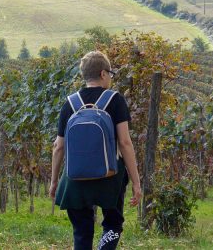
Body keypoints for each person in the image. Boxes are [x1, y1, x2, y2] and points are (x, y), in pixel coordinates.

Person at [49, 51, 143, 250]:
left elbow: (58, 147)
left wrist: (54, 181)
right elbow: (125, 143)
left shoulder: (70, 103)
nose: (110, 77)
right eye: (110, 73)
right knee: (113, 225)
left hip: (75, 179)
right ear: (102, 74)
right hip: (110, 176)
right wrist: (136, 182)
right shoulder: (115, 100)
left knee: (81, 232)